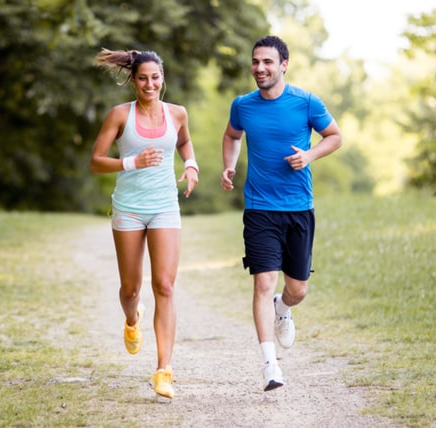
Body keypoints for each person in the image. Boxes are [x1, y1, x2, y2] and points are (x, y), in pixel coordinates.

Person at [220, 35, 343, 391]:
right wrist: (229, 165)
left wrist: (309, 156)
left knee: (298, 289)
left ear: (283, 65)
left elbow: (334, 136)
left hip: (298, 209)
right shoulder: (242, 105)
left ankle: (283, 308)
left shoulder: (305, 102)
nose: (260, 68)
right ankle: (270, 366)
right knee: (262, 282)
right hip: (259, 209)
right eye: (255, 62)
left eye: (267, 62)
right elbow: (231, 136)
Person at [89, 48, 199, 399]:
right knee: (131, 289)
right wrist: (131, 162)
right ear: (133, 80)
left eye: (155, 77)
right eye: (142, 78)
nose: (149, 84)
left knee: (164, 286)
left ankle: (163, 370)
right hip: (129, 209)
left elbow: (183, 142)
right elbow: (95, 161)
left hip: (165, 205)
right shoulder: (120, 115)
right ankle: (132, 318)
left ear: (162, 78)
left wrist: (192, 163)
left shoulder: (177, 113)